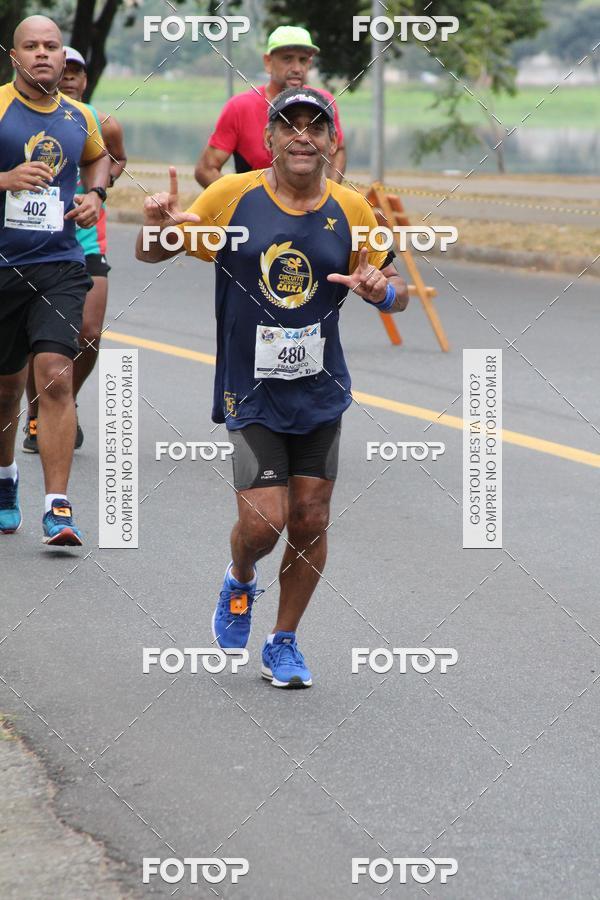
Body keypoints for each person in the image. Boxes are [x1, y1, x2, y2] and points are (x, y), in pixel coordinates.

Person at [136, 88, 408, 687]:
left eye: (316, 126)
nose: (303, 136)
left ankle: (283, 642)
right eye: (290, 126)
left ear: (333, 141)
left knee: (310, 518)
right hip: (249, 387)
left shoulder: (353, 209)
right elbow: (152, 252)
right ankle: (240, 577)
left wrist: (380, 291)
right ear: (270, 139)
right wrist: (158, 229)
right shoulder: (233, 198)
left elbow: (396, 288)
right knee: (265, 524)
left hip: (320, 391)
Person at [0, 15, 109, 545]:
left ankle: (58, 506)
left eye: (52, 46)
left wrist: (96, 196)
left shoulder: (80, 115)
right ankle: (4, 481)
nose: (43, 54)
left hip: (60, 265)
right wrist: (4, 179)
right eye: (32, 46)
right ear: (14, 55)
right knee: (5, 390)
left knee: (55, 376)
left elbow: (99, 159)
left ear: (65, 56)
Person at [22, 45, 127, 454]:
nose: (68, 77)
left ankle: (64, 396)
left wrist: (97, 190)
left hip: (82, 238)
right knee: (36, 338)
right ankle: (38, 412)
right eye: (64, 70)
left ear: (84, 79)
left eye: (76, 71)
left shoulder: (98, 121)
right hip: (30, 239)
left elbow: (114, 158)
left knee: (88, 332)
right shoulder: (21, 116)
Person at [195, 26, 346, 186]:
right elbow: (206, 169)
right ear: (268, 62)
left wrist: (329, 194)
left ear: (309, 64)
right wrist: (242, 203)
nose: (297, 68)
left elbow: (339, 150)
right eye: (287, 59)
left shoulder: (322, 103)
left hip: (309, 209)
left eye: (303, 60)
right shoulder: (240, 107)